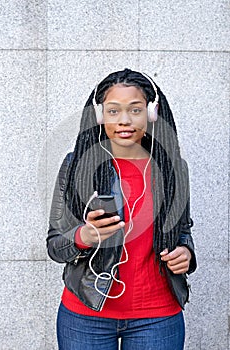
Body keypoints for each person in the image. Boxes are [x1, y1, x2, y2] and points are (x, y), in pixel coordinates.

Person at [47, 68, 197, 350]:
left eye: (135, 110)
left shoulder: (173, 169)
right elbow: (55, 244)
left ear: (152, 114)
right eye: (113, 111)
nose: (125, 120)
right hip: (86, 316)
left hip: (158, 316)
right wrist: (84, 237)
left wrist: (186, 253)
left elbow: (183, 230)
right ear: (100, 115)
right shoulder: (76, 166)